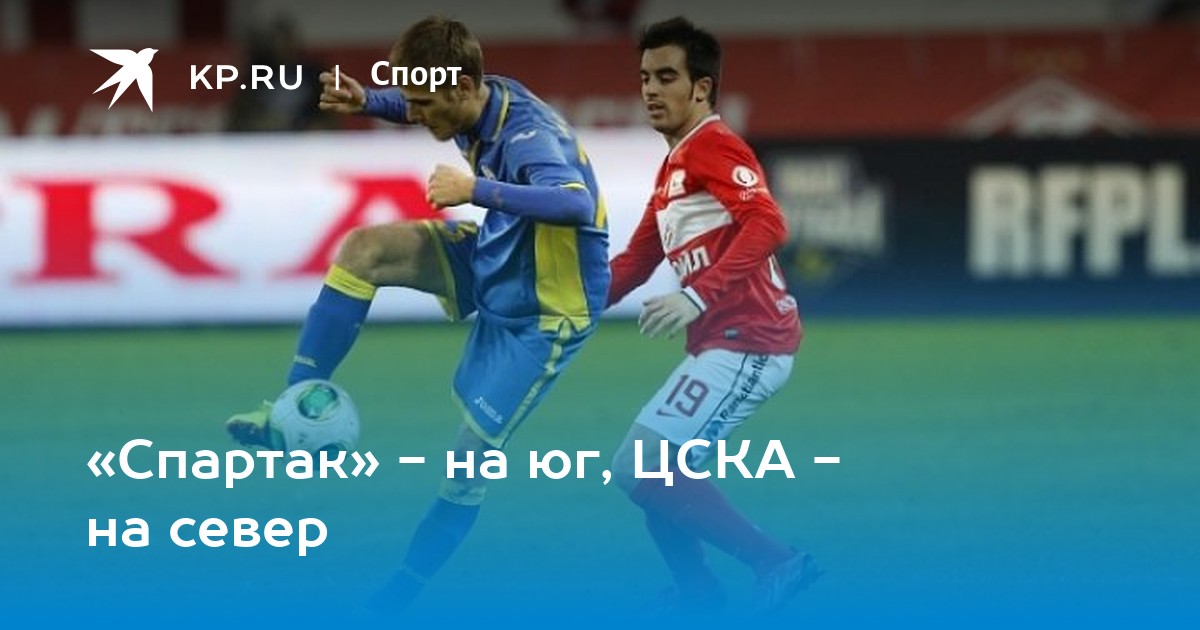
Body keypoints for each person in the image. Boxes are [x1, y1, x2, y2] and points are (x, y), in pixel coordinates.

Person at [225, 16, 610, 612]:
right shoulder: (478, 99)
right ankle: (289, 408)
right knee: (365, 250)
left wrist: (474, 190)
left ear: (463, 86)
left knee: (466, 464)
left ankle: (397, 597)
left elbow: (575, 203)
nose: (418, 114)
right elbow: (419, 105)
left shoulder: (530, 136)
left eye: (425, 104)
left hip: (546, 313)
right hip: (499, 255)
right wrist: (367, 101)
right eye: (412, 100)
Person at [605, 17, 820, 614]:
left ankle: (776, 563)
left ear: (701, 88)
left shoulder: (712, 144)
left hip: (751, 341)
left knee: (643, 466)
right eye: (645, 77)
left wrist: (695, 296)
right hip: (722, 343)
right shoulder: (674, 167)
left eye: (666, 77)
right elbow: (634, 263)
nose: (651, 89)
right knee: (654, 473)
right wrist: (556, 306)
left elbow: (768, 222)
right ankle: (700, 595)